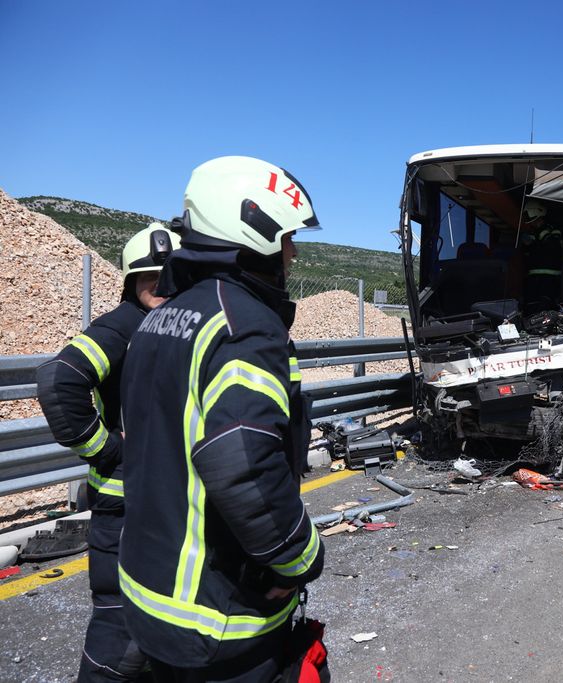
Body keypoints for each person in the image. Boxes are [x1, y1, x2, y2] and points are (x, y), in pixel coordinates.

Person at [117, 156, 325, 682]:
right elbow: (244, 464)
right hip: (216, 615)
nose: (293, 254)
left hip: (147, 595)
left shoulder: (162, 316)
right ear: (254, 228)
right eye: (286, 240)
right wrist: (299, 558)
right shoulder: (245, 327)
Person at [36, 222, 181, 682]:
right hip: (124, 510)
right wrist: (105, 450)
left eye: (168, 275)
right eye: (147, 277)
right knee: (119, 639)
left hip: (162, 505)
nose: (159, 285)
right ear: (129, 282)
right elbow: (60, 381)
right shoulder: (123, 326)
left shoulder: (173, 325)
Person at [522, 199, 563, 312]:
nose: (529, 220)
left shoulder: (553, 230)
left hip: (549, 280)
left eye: (528, 214)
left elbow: (553, 248)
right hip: (533, 280)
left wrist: (539, 233)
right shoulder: (532, 232)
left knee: (547, 309)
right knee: (531, 308)